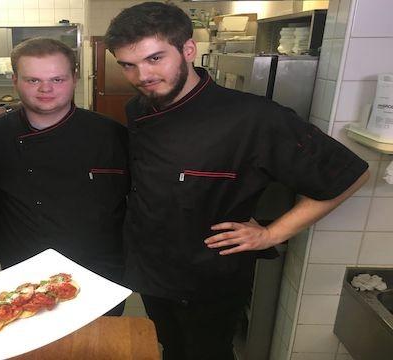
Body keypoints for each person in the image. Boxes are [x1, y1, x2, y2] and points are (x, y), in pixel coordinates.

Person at [104, 2, 370, 359]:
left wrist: (271, 233)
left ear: (188, 49)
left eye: (154, 59)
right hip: (152, 270)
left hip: (209, 281)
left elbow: (349, 175)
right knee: (170, 348)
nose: (142, 76)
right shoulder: (139, 109)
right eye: (128, 65)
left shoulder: (254, 118)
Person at [0, 38, 129, 315]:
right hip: (23, 277)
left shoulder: (112, 135)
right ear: (15, 81)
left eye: (57, 79)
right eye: (33, 80)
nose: (46, 89)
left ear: (74, 78)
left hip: (100, 275)